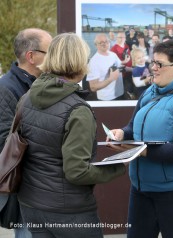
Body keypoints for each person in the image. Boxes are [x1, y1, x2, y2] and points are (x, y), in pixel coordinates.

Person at [17, 33, 126, 238]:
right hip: (69, 211)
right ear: (81, 62)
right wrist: (118, 167)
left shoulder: (26, 97)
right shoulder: (77, 109)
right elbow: (77, 171)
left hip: (31, 204)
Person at [108, 39, 173, 238]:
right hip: (141, 188)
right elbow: (132, 127)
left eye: (159, 64)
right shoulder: (150, 91)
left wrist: (139, 150)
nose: (152, 68)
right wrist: (121, 133)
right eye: (152, 62)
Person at [0, 28, 52, 238]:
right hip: (19, 187)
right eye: (50, 52)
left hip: (38, 185)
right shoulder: (5, 89)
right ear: (32, 56)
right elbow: (5, 141)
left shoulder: (42, 84)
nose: (54, 58)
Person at [87, 33, 125, 101]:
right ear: (96, 45)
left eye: (106, 41)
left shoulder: (113, 54)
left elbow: (120, 67)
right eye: (101, 42)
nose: (104, 44)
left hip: (120, 93)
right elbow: (93, 87)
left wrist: (135, 70)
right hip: (107, 98)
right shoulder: (94, 61)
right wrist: (111, 79)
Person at [110, 31, 134, 99]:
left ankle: (129, 96)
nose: (122, 38)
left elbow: (129, 56)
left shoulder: (126, 46)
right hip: (120, 73)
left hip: (129, 70)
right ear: (116, 38)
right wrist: (124, 61)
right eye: (120, 37)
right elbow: (112, 63)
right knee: (121, 90)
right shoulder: (113, 49)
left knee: (130, 86)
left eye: (123, 37)